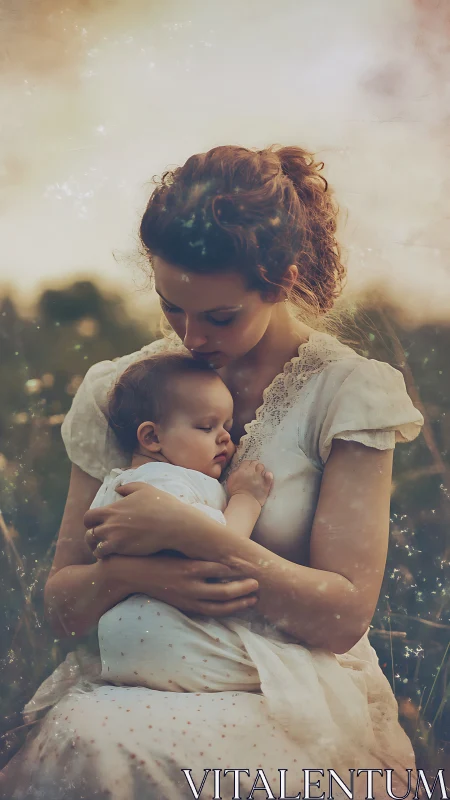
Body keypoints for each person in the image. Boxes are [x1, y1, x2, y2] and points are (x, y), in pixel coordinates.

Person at [2, 143, 425, 800]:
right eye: (173, 307)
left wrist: (195, 532)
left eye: (220, 316)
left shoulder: (348, 395)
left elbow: (343, 617)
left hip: (294, 693)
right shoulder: (124, 391)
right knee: (89, 739)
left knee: (113, 748)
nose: (192, 336)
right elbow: (62, 605)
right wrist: (128, 573)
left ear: (281, 282)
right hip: (143, 679)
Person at [95, 351, 275, 693]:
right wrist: (247, 499)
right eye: (206, 427)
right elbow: (219, 549)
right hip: (172, 639)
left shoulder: (119, 482)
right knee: (284, 672)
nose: (224, 438)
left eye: (227, 426)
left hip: (129, 642)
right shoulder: (160, 484)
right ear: (151, 438)